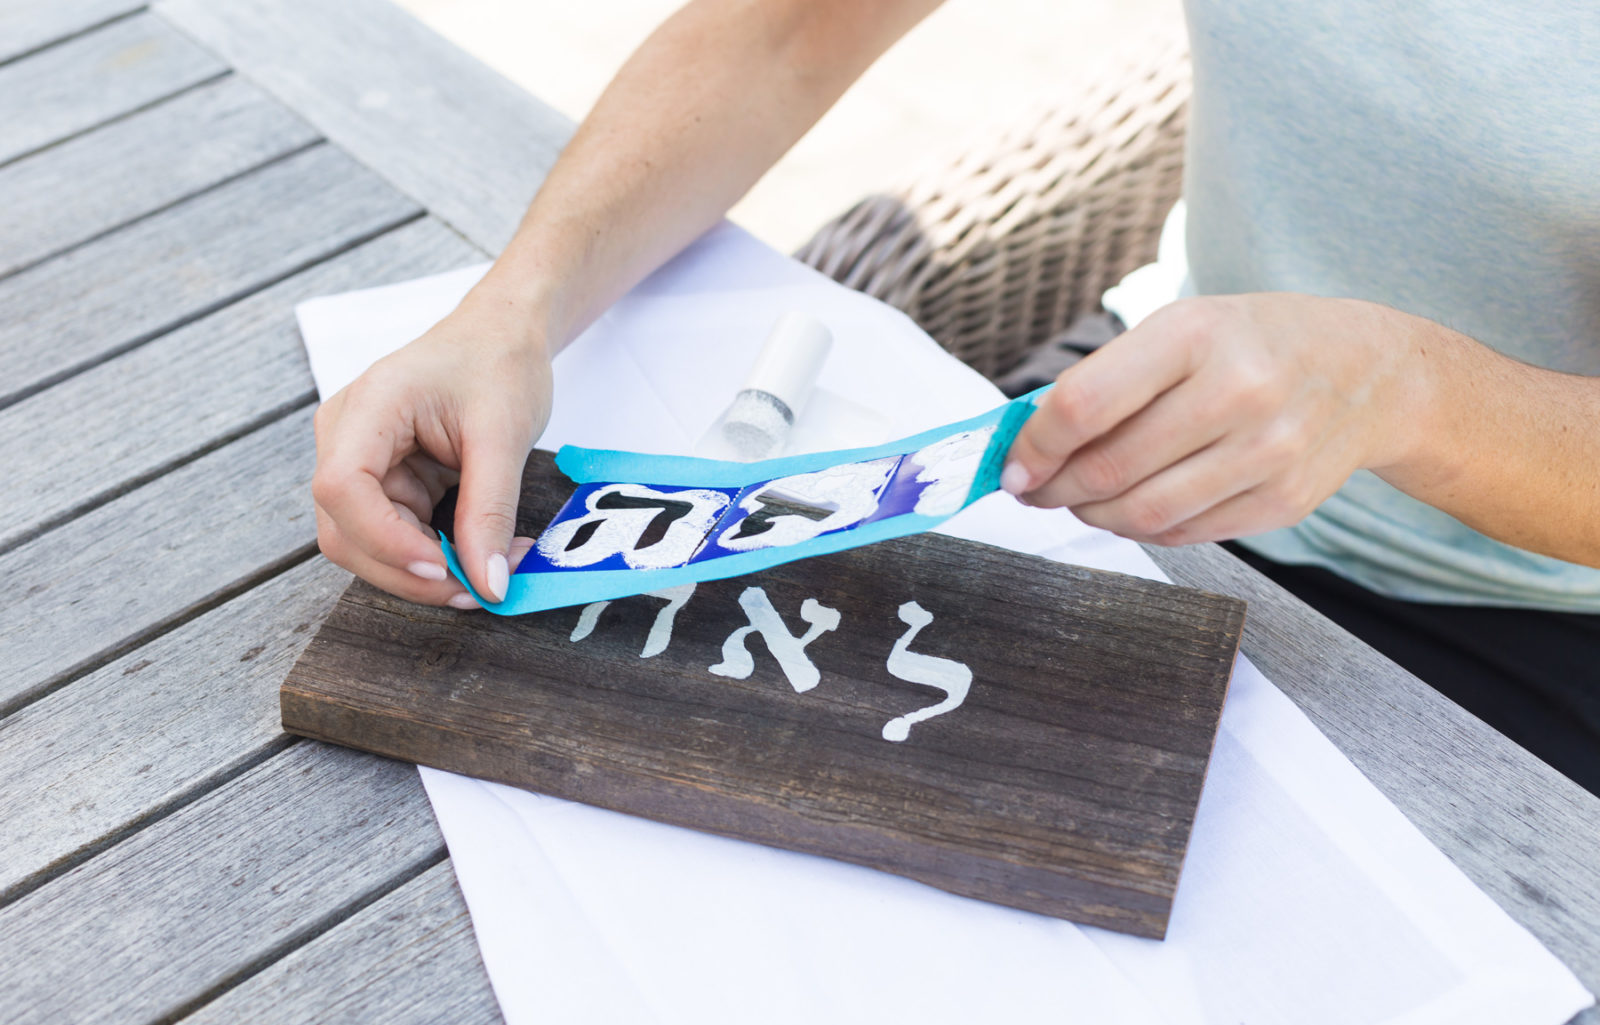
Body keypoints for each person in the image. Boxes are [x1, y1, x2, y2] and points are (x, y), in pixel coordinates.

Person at [310, 0, 1600, 788]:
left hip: (1528, 603)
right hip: (1133, 440)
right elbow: (792, 22)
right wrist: (512, 311)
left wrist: (1413, 391)